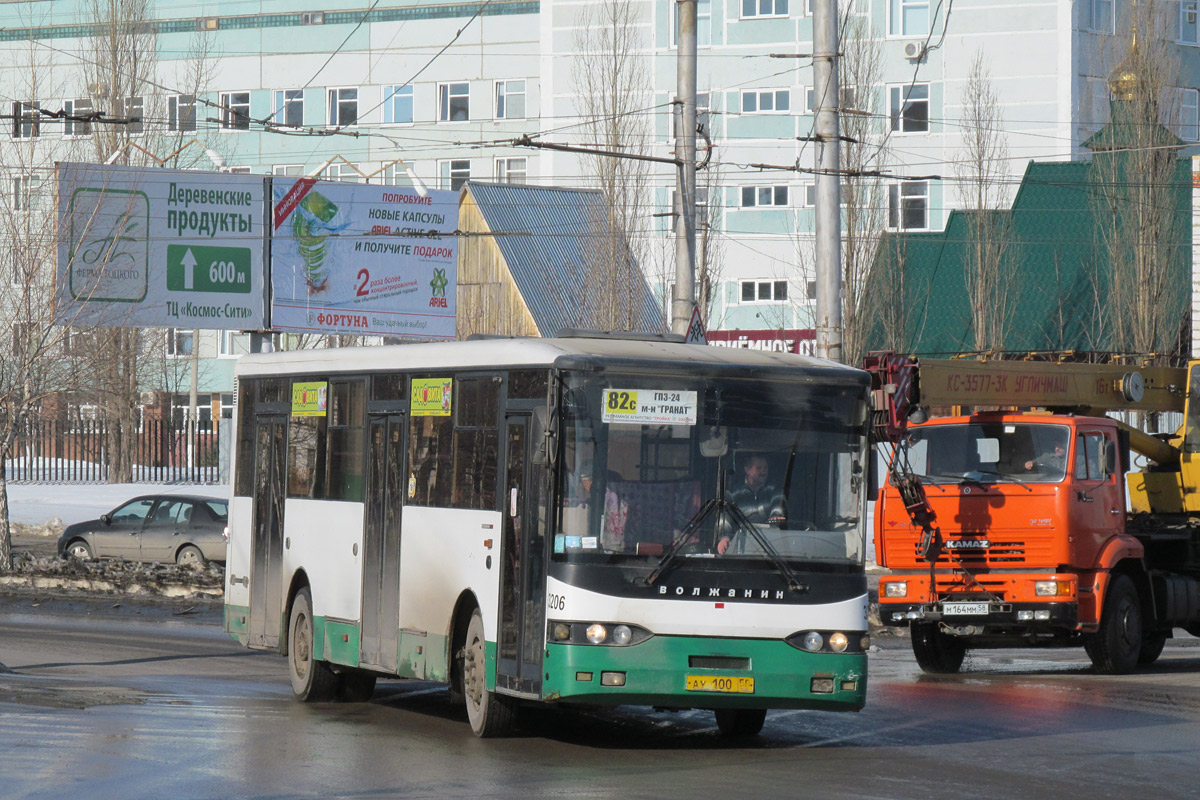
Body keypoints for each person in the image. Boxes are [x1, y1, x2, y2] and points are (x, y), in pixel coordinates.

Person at [717, 454, 786, 554]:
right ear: (747, 470)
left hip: (771, 548)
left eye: (765, 468)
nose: (763, 472)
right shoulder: (733, 493)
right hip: (741, 549)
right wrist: (724, 537)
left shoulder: (775, 489)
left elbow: (778, 511)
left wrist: (775, 521)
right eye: (759, 468)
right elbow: (724, 517)